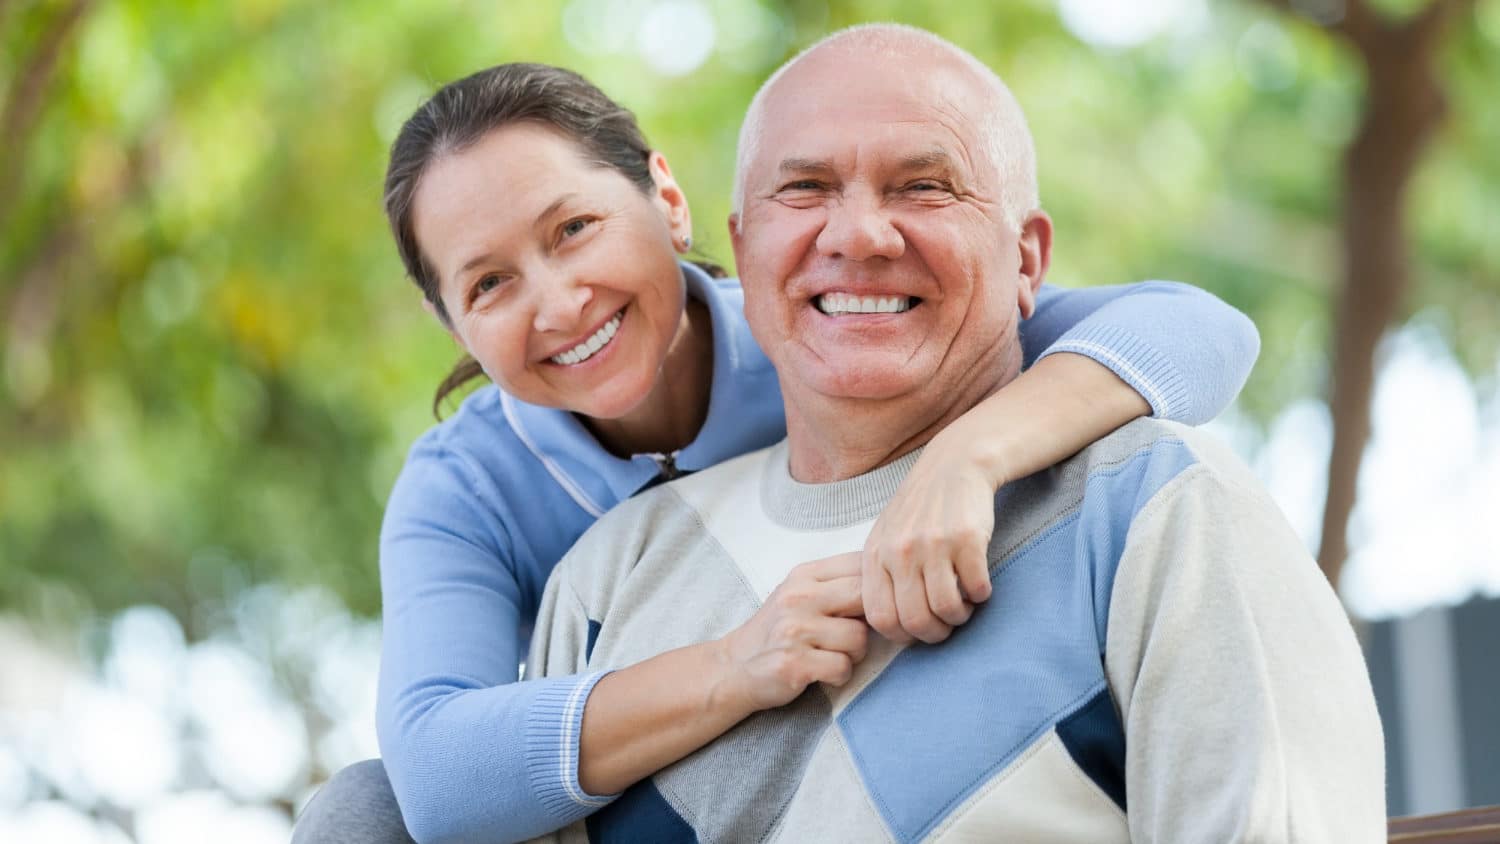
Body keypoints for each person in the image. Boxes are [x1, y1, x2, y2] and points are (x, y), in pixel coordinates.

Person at [292, 55, 1261, 844]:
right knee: (356, 813)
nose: (558, 301)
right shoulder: (466, 486)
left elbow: (1194, 329)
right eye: (490, 284)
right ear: (449, 319)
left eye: (575, 228)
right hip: (664, 773)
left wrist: (967, 458)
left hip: (909, 729)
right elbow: (438, 773)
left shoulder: (827, 330)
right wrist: (733, 663)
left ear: (665, 199)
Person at [521, 23, 1385, 843]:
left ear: (1028, 261)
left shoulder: (1160, 514)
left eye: (923, 186)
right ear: (744, 255)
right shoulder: (608, 581)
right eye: (806, 188)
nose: (858, 233)